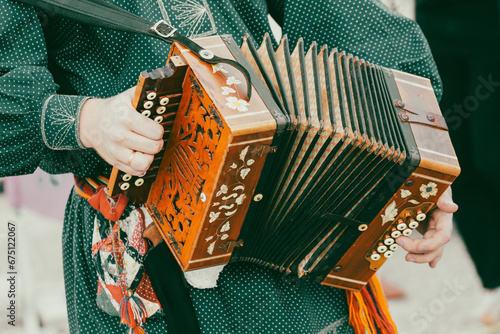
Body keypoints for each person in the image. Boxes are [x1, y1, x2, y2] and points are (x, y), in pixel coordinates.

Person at [0, 0, 457, 333]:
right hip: (139, 233)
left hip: (286, 198)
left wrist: (417, 157)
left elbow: (344, 15)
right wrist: (86, 120)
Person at [416, 0, 500, 326]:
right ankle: (494, 279)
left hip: (491, 21)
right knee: (456, 165)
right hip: (435, 21)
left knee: (492, 157)